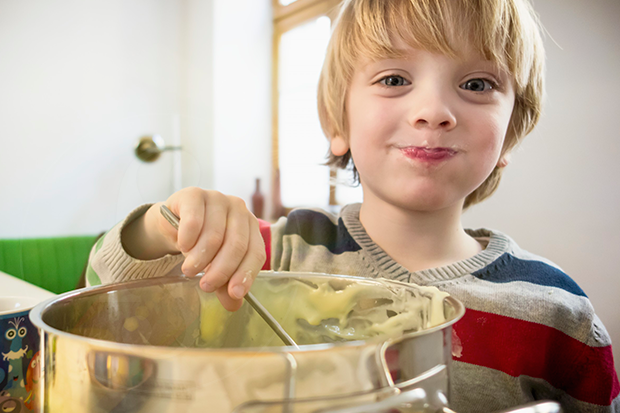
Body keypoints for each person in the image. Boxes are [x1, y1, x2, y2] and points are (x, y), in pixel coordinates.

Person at [86, 0, 620, 411]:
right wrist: (167, 223)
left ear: (509, 137)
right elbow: (102, 293)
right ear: (337, 125)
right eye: (394, 79)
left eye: (476, 84)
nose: (433, 110)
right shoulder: (273, 256)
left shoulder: (559, 314)